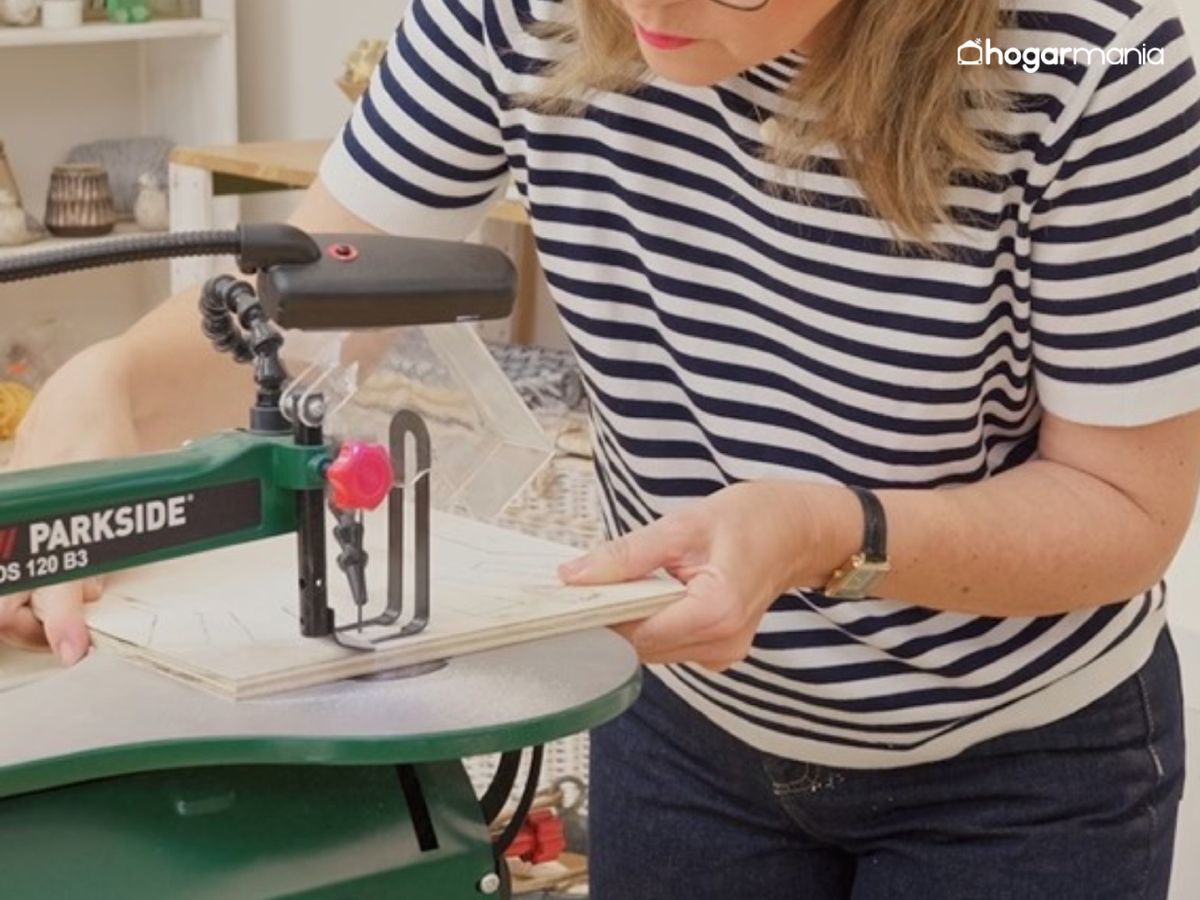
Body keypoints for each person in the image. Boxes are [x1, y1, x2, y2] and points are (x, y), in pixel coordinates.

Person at [4, 0, 1199, 895]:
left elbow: (1123, 508)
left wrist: (833, 531)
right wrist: (104, 388)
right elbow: (317, 288)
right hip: (682, 723)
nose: (653, 13)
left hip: (1014, 767)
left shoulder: (1076, 56)